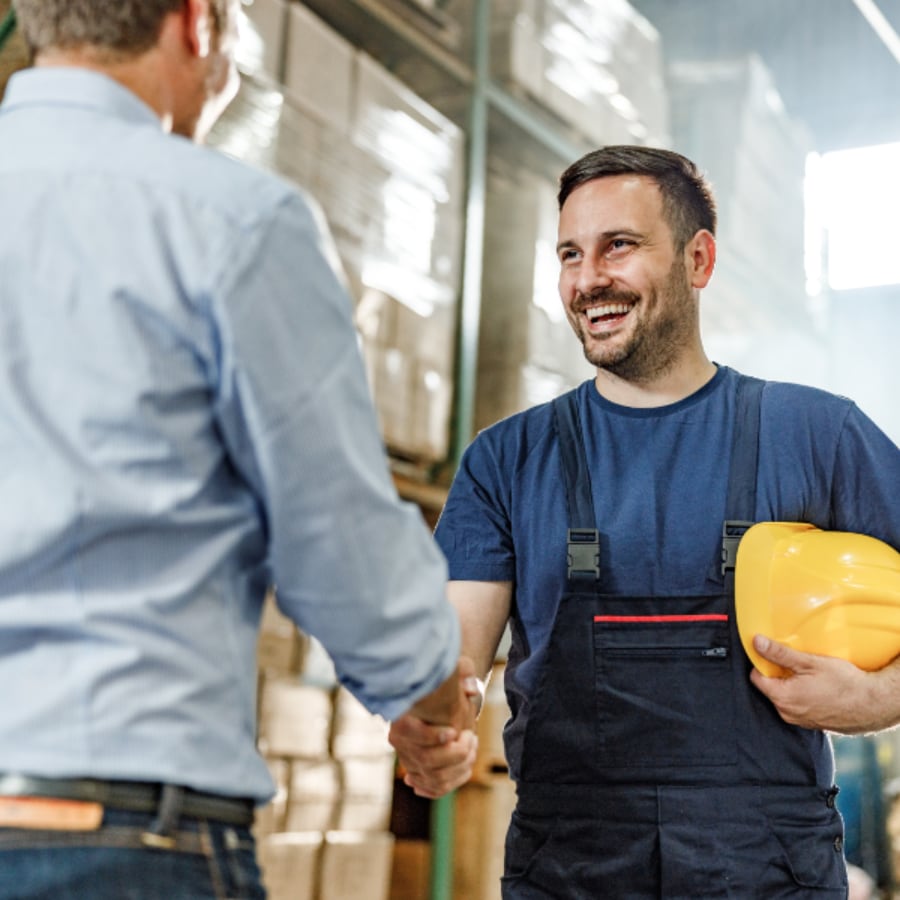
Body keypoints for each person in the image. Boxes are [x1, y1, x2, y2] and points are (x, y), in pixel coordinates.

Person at [0, 1, 477, 898]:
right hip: (124, 835)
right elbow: (334, 538)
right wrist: (433, 698)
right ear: (197, 23)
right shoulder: (230, 219)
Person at [389, 144, 900, 898]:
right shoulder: (506, 459)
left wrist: (881, 700)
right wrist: (429, 726)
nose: (588, 278)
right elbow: (452, 663)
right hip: (570, 869)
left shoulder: (817, 435)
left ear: (698, 259)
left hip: (767, 871)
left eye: (618, 246)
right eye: (569, 253)